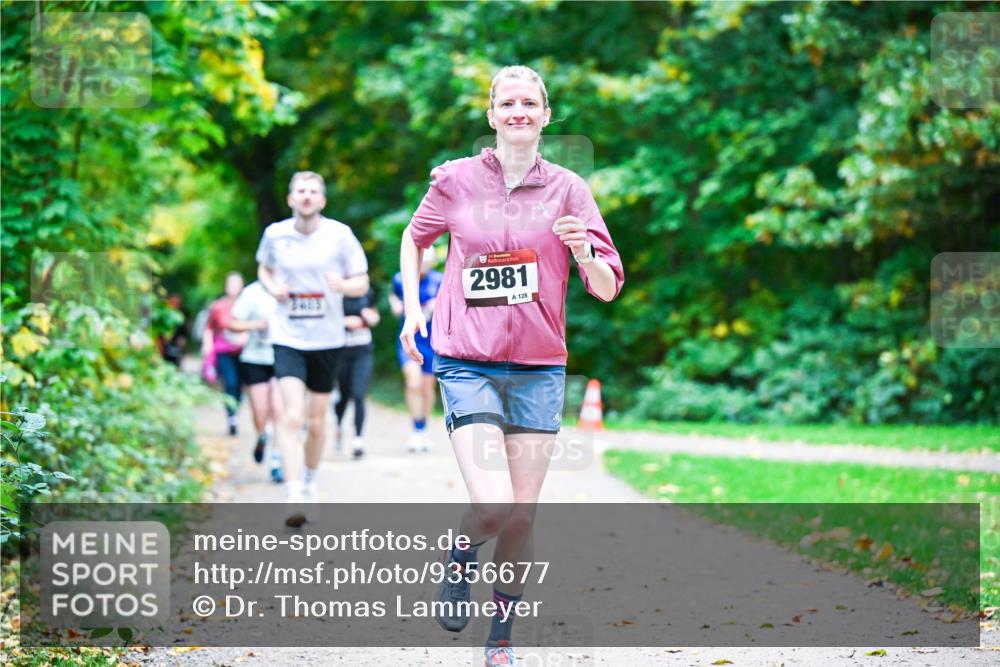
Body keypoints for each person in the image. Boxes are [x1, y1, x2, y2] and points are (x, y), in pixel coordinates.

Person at [398, 65, 623, 666]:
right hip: (467, 359)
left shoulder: (570, 189)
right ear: (492, 115)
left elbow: (605, 287)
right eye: (508, 102)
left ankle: (500, 639)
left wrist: (581, 250)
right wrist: (413, 313)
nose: (519, 111)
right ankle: (462, 552)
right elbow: (415, 239)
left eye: (530, 102)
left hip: (539, 367)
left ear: (546, 116)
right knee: (494, 506)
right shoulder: (455, 181)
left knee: (522, 517)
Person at [256, 170, 370, 510]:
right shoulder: (275, 235)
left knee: (317, 421)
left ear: (322, 200)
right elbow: (264, 269)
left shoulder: (340, 235)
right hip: (288, 336)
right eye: (301, 191)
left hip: (328, 338)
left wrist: (344, 286)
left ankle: (308, 480)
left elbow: (361, 282)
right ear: (291, 198)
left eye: (313, 191)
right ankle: (292, 494)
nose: (307, 196)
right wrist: (273, 287)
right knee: (292, 417)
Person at [226, 280, 284, 483]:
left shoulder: (293, 284)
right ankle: (262, 436)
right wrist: (255, 325)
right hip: (255, 358)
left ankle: (277, 461)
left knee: (280, 410)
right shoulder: (252, 293)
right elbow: (231, 323)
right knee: (260, 411)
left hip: (283, 357)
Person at [389, 249, 443, 453]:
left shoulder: (440, 279)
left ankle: (423, 431)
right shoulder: (400, 279)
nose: (423, 267)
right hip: (409, 340)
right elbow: (393, 295)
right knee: (413, 383)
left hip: (431, 342)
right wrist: (395, 305)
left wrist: (437, 305)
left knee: (427, 388)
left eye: (427, 263)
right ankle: (415, 429)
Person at [333, 287, 380, 460]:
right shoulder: (335, 294)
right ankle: (338, 425)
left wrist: (370, 317)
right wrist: (344, 322)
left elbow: (375, 317)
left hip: (363, 351)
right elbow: (326, 321)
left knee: (359, 394)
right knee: (343, 396)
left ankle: (358, 439)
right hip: (341, 352)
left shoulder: (366, 292)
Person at [201, 272, 246, 436]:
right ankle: (231, 416)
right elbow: (209, 328)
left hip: (244, 352)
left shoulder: (248, 305)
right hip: (223, 351)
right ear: (226, 286)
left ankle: (235, 411)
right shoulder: (218, 306)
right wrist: (208, 345)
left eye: (237, 283)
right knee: (231, 382)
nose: (234, 287)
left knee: (240, 386)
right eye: (231, 284)